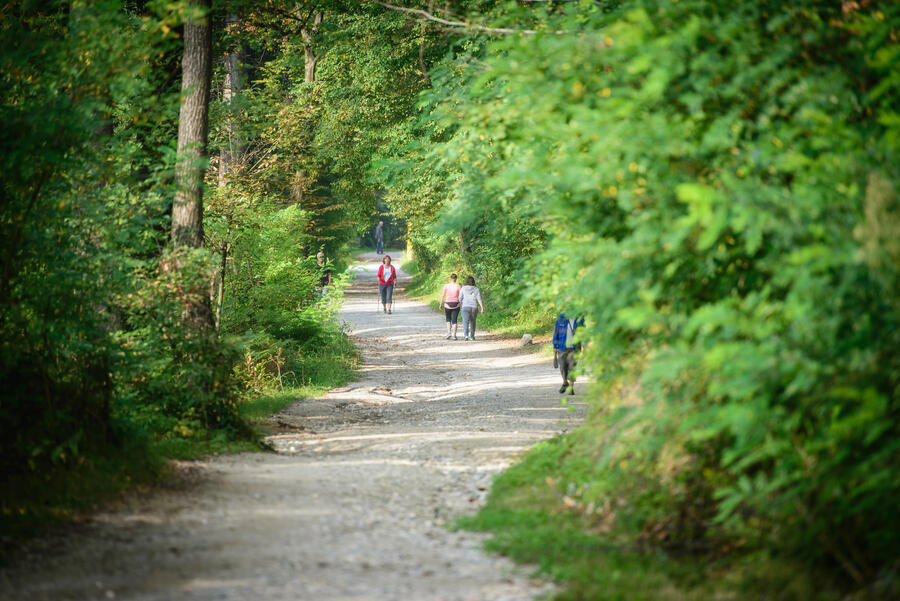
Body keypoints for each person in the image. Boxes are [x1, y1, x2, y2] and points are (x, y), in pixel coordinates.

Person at [552, 313, 584, 395]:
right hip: (562, 347)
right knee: (563, 367)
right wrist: (555, 346)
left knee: (572, 367)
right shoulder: (561, 319)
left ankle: (571, 387)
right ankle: (565, 382)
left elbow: (583, 333)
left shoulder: (580, 319)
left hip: (575, 348)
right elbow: (556, 333)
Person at [458, 276, 484, 341]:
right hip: (474, 307)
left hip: (465, 307)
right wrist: (482, 307)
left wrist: (461, 303)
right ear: (473, 282)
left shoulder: (463, 288)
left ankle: (466, 336)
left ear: (466, 281)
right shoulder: (476, 289)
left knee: (465, 321)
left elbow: (460, 298)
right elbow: (479, 299)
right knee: (473, 322)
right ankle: (472, 336)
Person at [439, 273, 462, 340]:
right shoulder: (458, 286)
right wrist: (461, 304)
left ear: (450, 278)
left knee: (448, 319)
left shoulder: (446, 286)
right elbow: (461, 296)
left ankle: (449, 333)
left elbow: (443, 295)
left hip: (447, 304)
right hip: (456, 304)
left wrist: (440, 304)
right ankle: (454, 335)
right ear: (456, 279)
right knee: (454, 321)